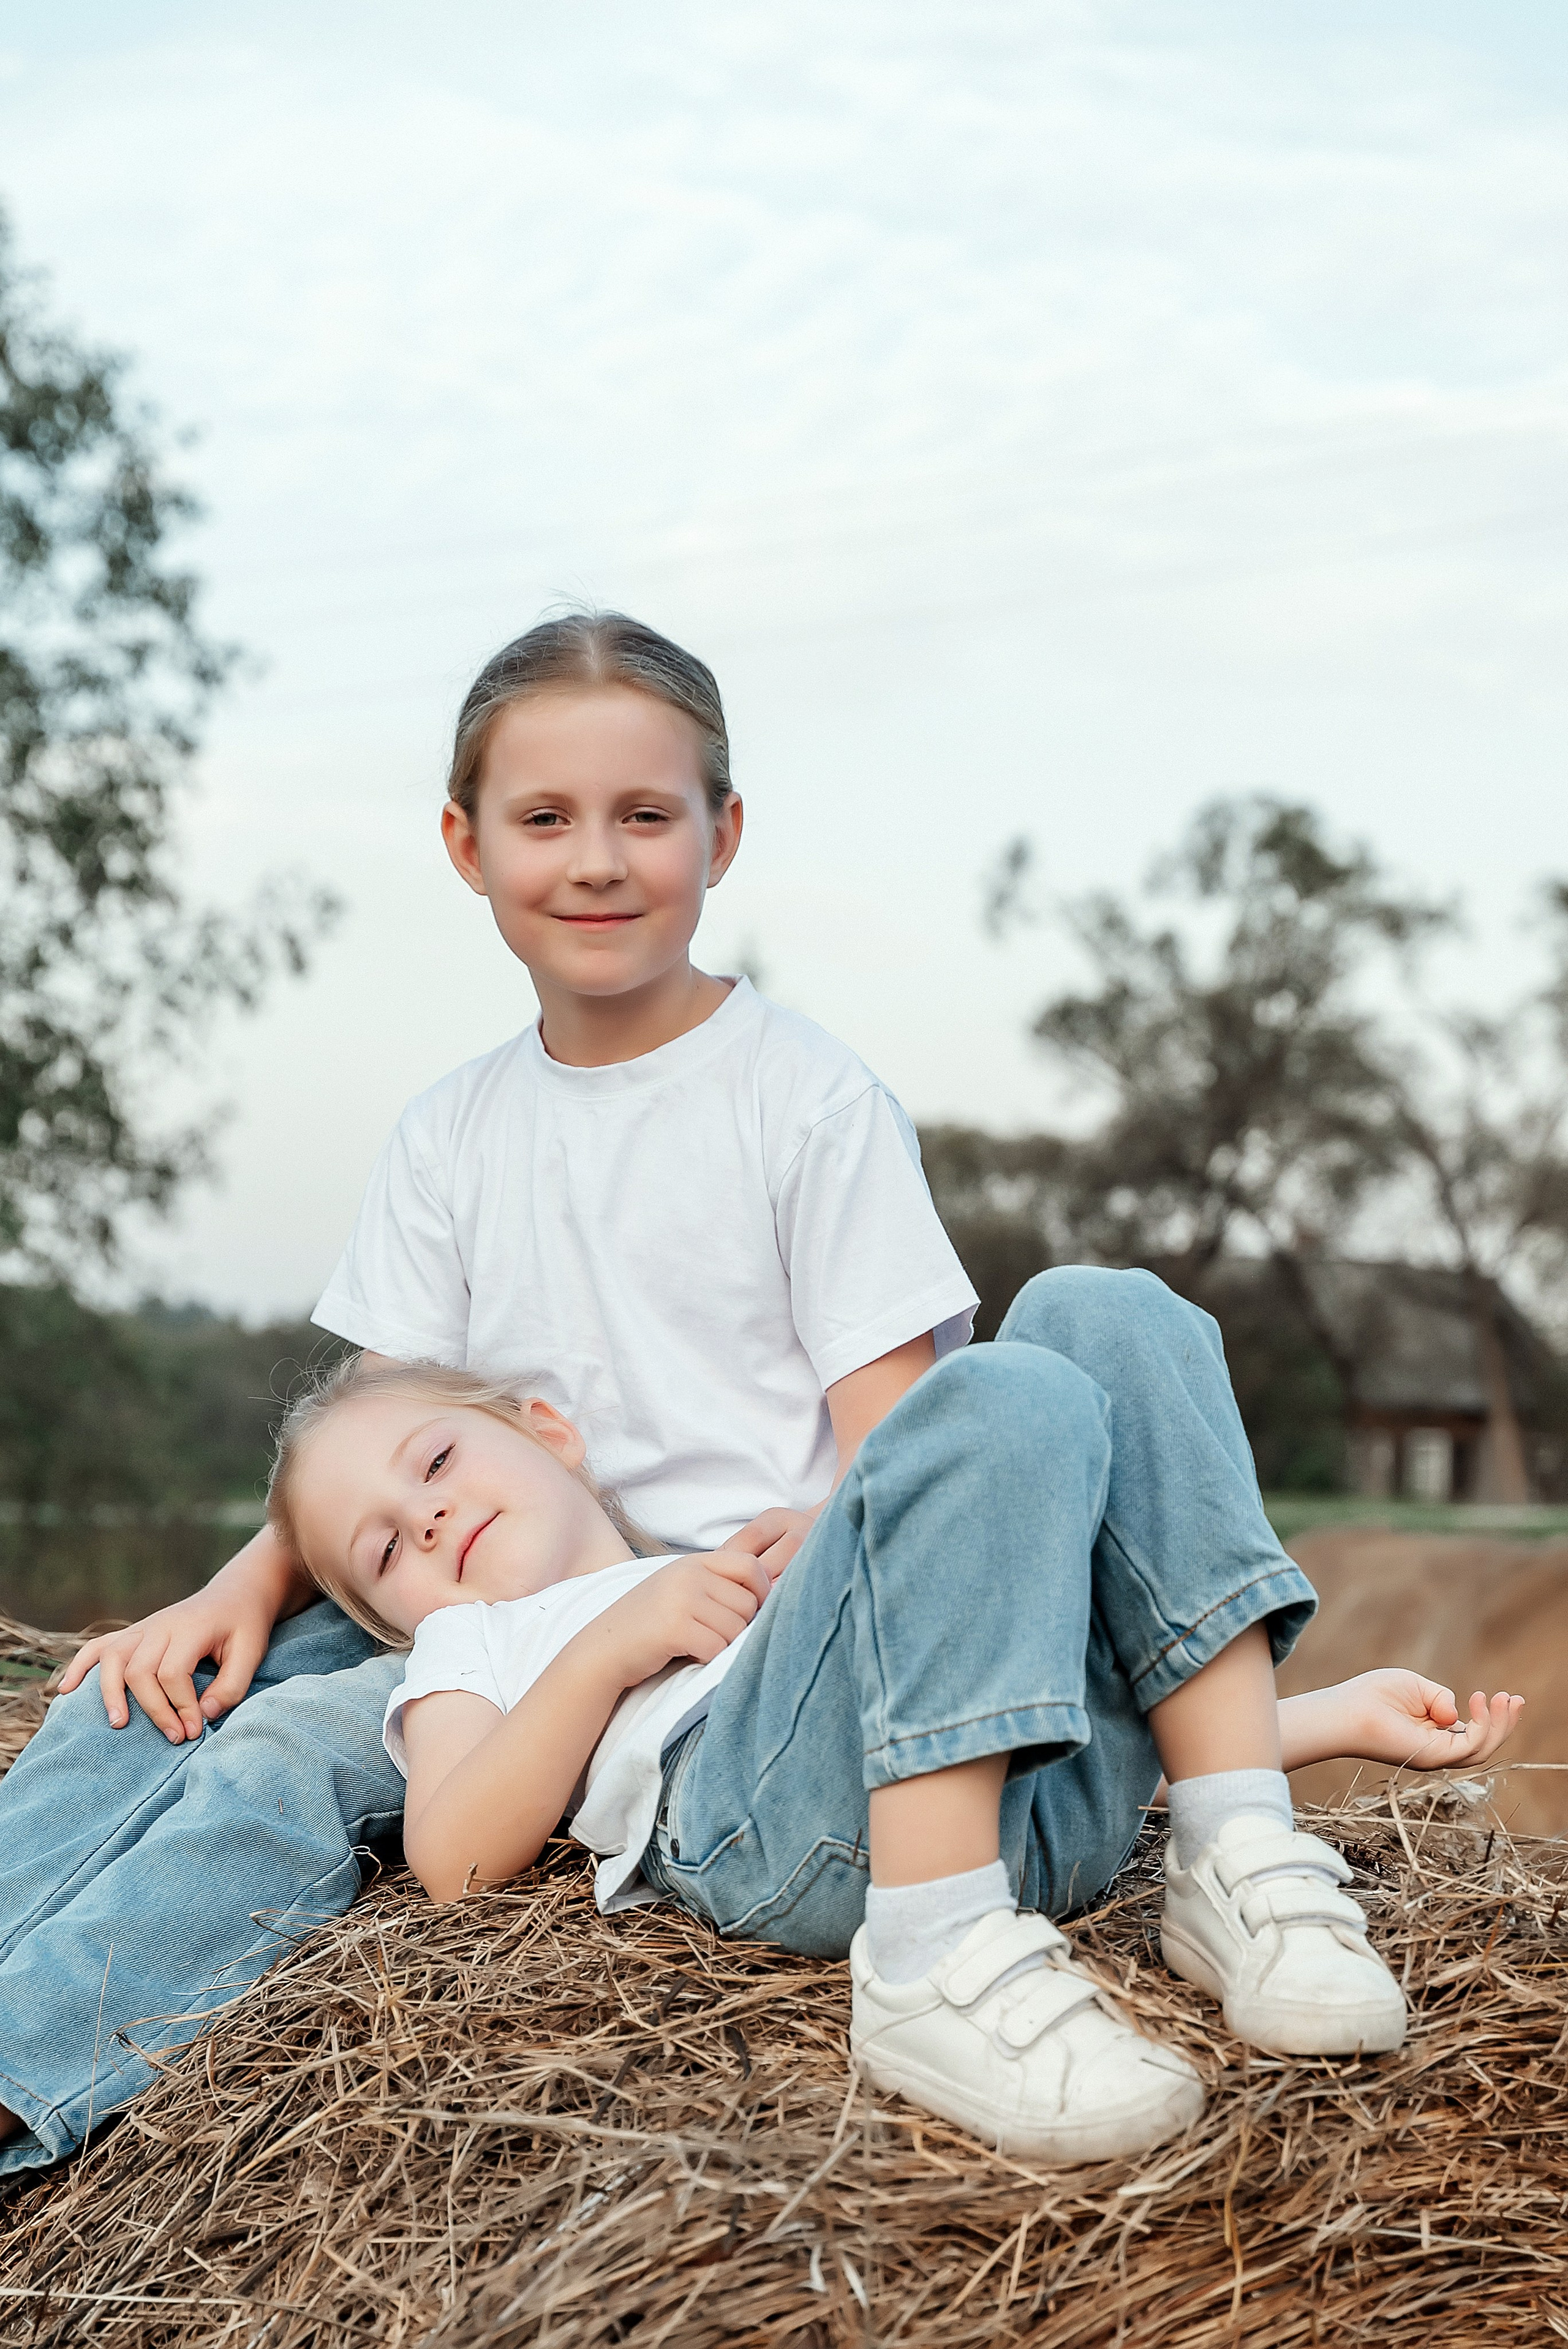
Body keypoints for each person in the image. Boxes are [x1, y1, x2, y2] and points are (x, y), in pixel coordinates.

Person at [0, 611, 981, 2173]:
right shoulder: (451, 1131)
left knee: (281, 1759)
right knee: (126, 1704)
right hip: (467, 1576)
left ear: (721, 835)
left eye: (643, 816)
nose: (595, 860)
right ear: (466, 848)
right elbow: (370, 1431)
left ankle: (23, 2070)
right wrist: (239, 1592)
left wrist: (799, 1575)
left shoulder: (805, 1102)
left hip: (699, 1614)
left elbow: (903, 1451)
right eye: (544, 819)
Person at [265, 1328, 1522, 2165]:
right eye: (385, 1555)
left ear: (548, 1433)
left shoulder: (725, 1544)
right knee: (996, 1391)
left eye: (432, 1461)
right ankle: (927, 1965)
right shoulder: (476, 1648)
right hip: (773, 1822)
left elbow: (987, 1693)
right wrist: (607, 1653)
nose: (423, 1518)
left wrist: (1328, 1718)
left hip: (1026, 1821)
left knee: (1105, 1314)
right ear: (391, 1623)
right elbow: (452, 1859)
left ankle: (1235, 1833)